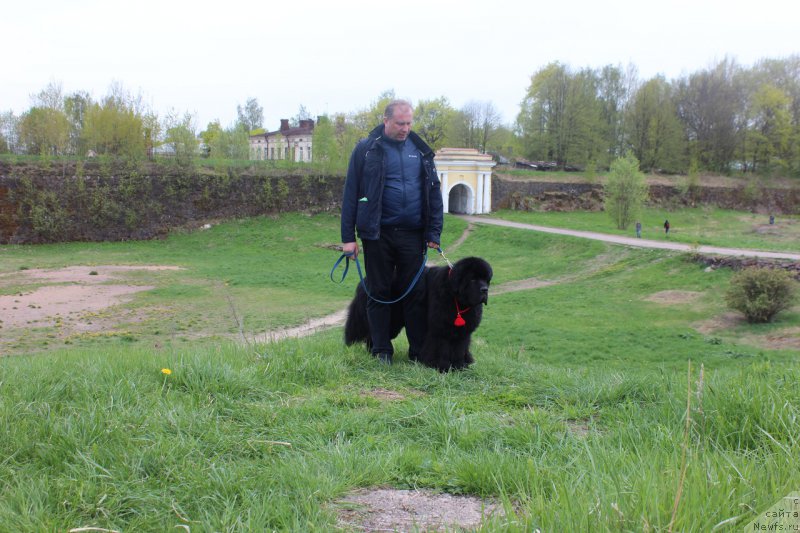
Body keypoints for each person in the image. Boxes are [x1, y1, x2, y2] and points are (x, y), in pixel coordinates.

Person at [340, 100, 444, 365]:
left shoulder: (421, 152)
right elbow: (351, 194)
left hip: (413, 235)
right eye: (400, 123)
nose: (405, 129)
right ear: (385, 120)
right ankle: (381, 350)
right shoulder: (366, 150)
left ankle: (418, 352)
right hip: (377, 234)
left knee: (416, 293)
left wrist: (434, 231)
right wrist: (348, 239)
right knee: (378, 292)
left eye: (409, 123)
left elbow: (433, 192)